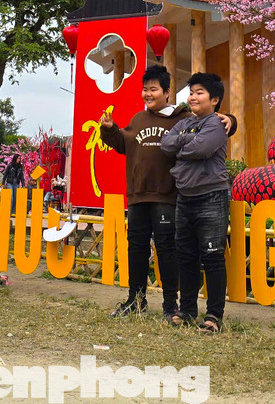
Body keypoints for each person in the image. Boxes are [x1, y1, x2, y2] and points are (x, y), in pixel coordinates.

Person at [100, 65, 236, 319]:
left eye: (153, 89)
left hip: (168, 196)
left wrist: (231, 119)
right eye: (144, 89)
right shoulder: (138, 119)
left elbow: (210, 125)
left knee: (168, 251)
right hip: (138, 194)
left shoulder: (182, 116)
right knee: (136, 248)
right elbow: (123, 143)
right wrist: (109, 129)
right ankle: (135, 299)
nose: (147, 94)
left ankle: (170, 304)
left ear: (167, 92)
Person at [159, 72, 231, 333]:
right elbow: (165, 146)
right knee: (186, 257)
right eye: (191, 93)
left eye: (199, 92)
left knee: (212, 257)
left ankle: (214, 316)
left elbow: (203, 149)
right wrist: (185, 142)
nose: (193, 97)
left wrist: (181, 146)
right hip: (185, 198)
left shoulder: (216, 124)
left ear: (214, 99)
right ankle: (187, 310)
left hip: (211, 197)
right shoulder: (184, 123)